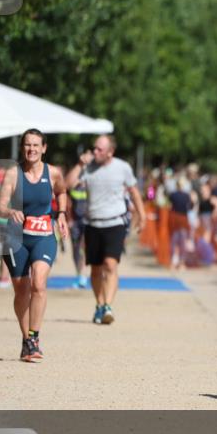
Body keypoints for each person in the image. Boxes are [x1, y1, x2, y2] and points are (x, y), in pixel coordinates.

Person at [0, 129, 69, 362]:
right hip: (16, 238)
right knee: (22, 290)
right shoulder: (13, 174)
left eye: (36, 145)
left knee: (39, 283)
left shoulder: (53, 173)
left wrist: (62, 214)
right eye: (28, 145)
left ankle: (34, 338)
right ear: (22, 148)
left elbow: (62, 191)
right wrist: (10, 212)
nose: (32, 149)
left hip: (43, 236)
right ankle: (26, 338)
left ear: (44, 148)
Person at [65, 134, 145, 325]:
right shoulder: (87, 168)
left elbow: (134, 192)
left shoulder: (122, 167)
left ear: (110, 152)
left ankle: (108, 305)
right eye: (94, 148)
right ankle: (99, 305)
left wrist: (142, 216)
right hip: (93, 223)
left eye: (100, 149)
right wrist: (79, 164)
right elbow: (67, 185)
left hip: (115, 223)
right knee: (95, 269)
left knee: (110, 264)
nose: (95, 152)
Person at [67, 180, 90, 288]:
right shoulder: (73, 186)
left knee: (84, 248)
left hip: (87, 221)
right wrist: (69, 219)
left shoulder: (90, 184)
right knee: (75, 249)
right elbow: (68, 202)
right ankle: (79, 274)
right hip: (75, 222)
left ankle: (83, 276)